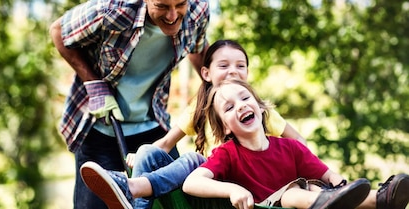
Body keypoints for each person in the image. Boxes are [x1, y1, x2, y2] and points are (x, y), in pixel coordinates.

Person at [79, 39, 308, 209]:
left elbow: (298, 141)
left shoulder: (254, 108)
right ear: (206, 73)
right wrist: (138, 156)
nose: (233, 71)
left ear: (247, 72)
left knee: (194, 159)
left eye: (240, 66)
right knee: (147, 151)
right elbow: (167, 143)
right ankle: (135, 203)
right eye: (224, 65)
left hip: (237, 182)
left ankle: (131, 188)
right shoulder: (199, 108)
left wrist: (290, 169)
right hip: (206, 185)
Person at [49, 0, 211, 207]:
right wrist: (94, 84)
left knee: (176, 201)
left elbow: (198, 49)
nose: (172, 16)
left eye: (179, 4)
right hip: (101, 130)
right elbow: (59, 31)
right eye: (162, 6)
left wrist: (219, 89)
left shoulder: (197, 10)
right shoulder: (112, 10)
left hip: (153, 127)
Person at [181, 79, 409, 209]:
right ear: (226, 128)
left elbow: (332, 177)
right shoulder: (228, 153)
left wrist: (343, 188)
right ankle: (323, 202)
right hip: (269, 207)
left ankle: (381, 200)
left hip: (310, 201)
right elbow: (191, 183)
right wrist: (232, 190)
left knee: (317, 186)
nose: (240, 106)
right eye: (229, 108)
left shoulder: (291, 147)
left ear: (260, 107)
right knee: (292, 192)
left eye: (245, 98)